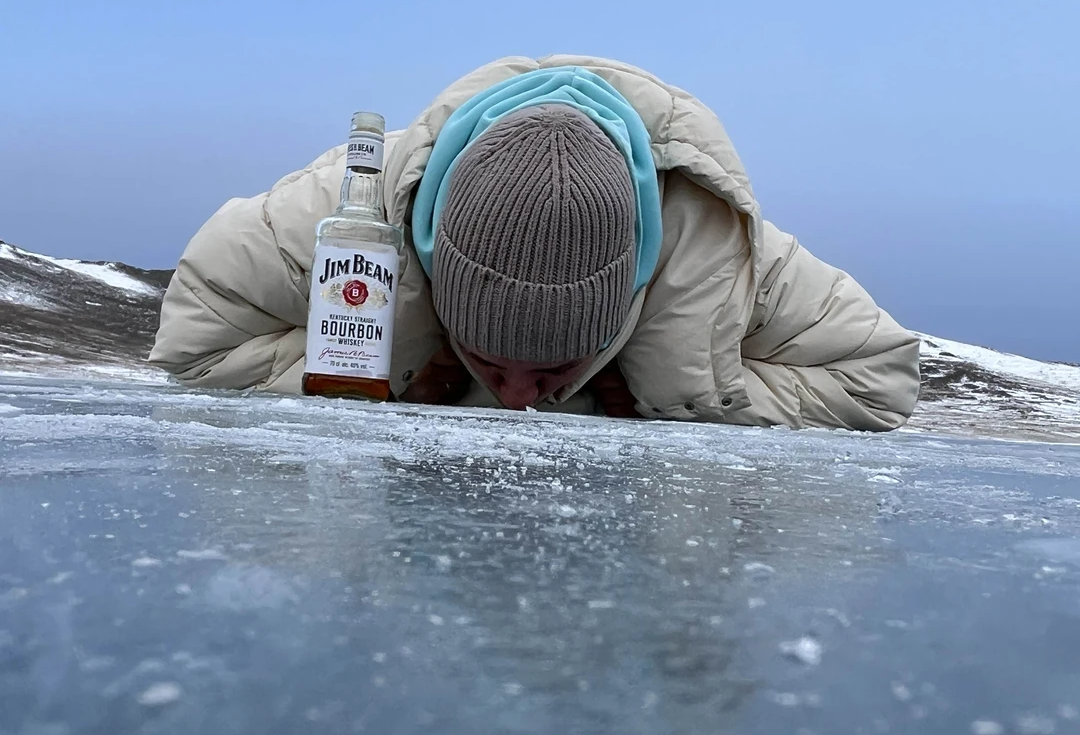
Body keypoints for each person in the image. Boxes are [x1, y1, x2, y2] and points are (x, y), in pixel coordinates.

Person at [151, 55, 921, 430]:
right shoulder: (337, 222)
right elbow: (200, 344)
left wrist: (679, 405)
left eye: (554, 365)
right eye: (490, 360)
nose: (520, 398)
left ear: (631, 289)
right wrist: (379, 382)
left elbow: (875, 375)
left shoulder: (714, 253)